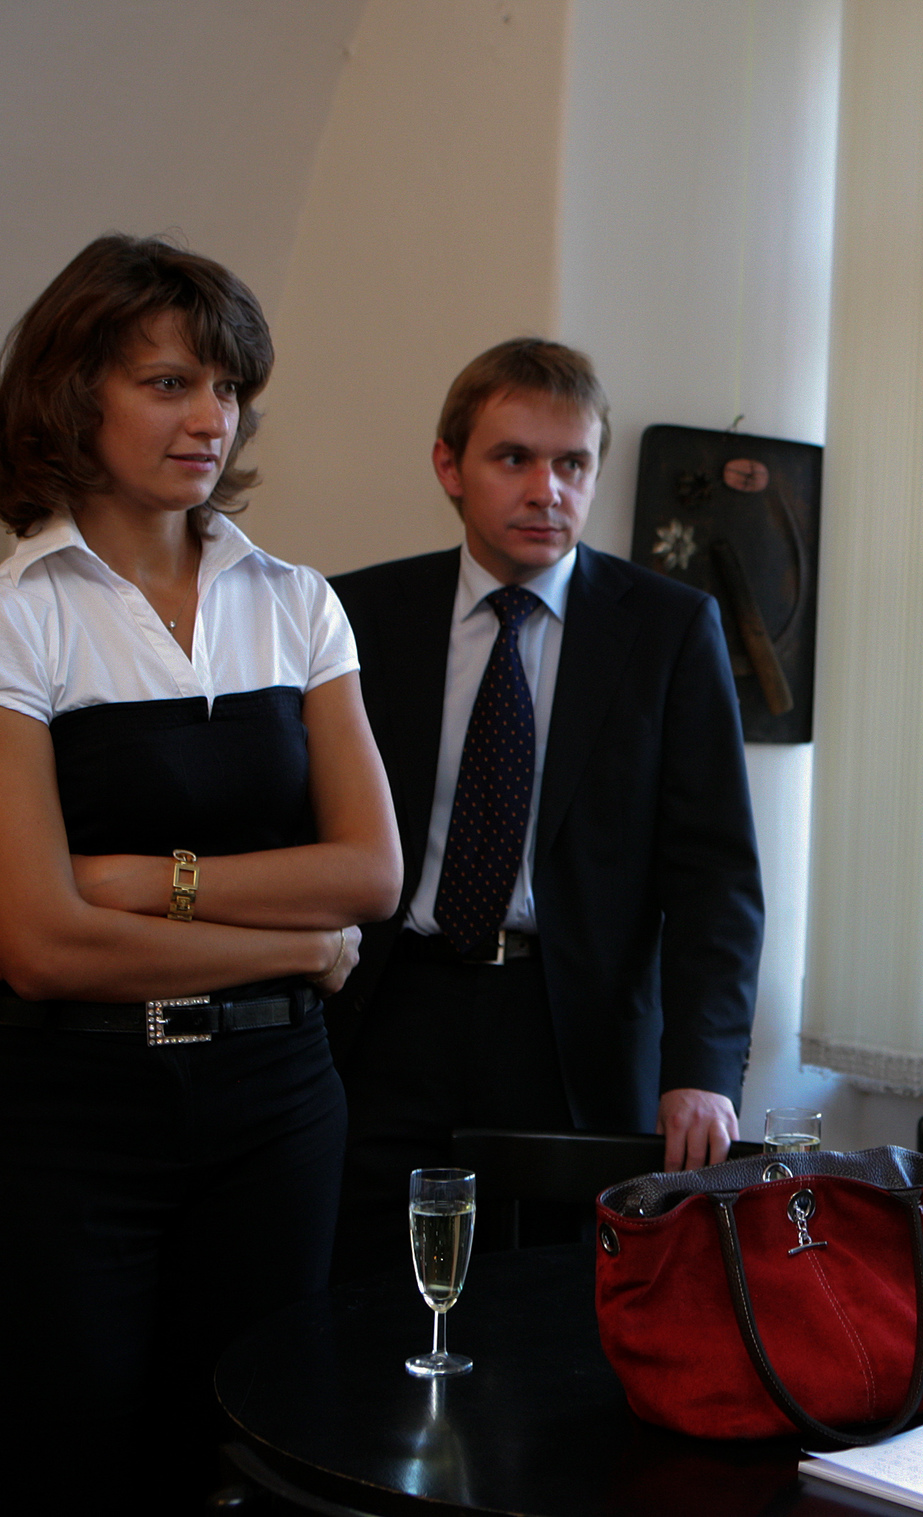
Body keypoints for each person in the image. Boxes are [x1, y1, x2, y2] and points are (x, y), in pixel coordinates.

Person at [0, 234, 402, 1514]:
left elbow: (369, 872)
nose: (211, 418)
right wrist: (295, 944)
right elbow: (40, 946)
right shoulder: (2, 614)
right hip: (61, 1113)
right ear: (72, 396)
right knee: (60, 1471)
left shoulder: (296, 602)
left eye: (227, 386)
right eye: (169, 383)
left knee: (252, 1467)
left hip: (275, 1102)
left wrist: (138, 882)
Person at [325, 337, 762, 1282]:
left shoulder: (668, 629)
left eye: (573, 463)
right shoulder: (357, 615)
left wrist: (701, 1068)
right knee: (366, 1289)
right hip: (389, 1010)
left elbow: (715, 877)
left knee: (553, 1307)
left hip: (573, 1031)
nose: (546, 490)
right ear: (450, 467)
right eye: (514, 458)